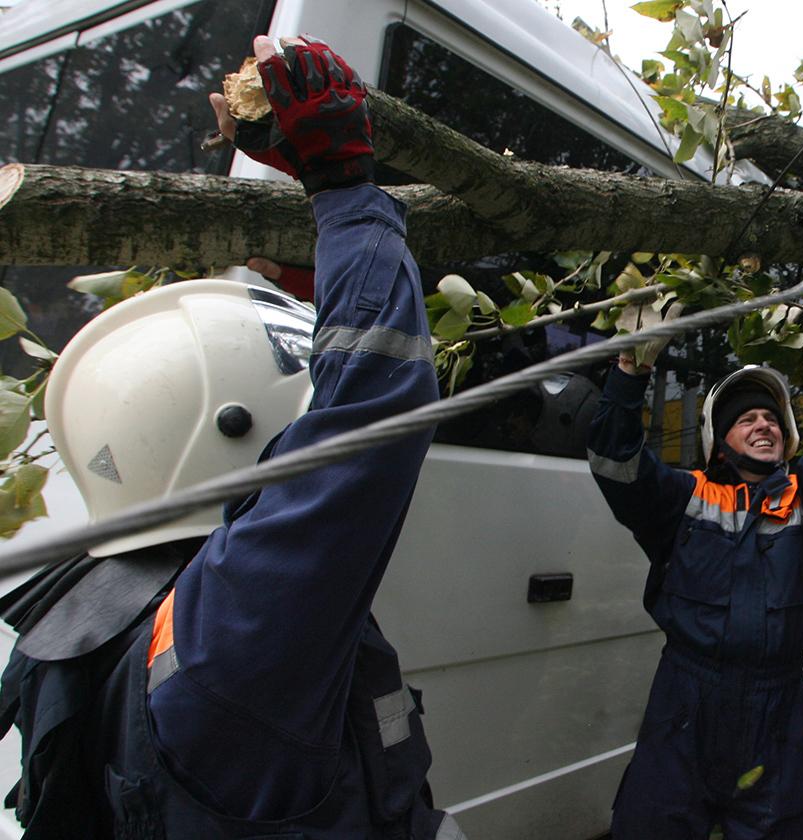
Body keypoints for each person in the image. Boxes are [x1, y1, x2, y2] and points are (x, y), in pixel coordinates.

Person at [0, 35, 463, 839]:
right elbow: (374, 397)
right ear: (229, 434)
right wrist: (343, 187)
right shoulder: (231, 634)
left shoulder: (96, 606)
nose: (300, 442)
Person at [587, 328, 803, 839]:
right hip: (684, 708)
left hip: (777, 716)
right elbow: (616, 463)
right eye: (747, 419)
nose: (763, 426)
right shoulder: (682, 500)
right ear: (721, 441)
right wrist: (630, 371)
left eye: (771, 419)